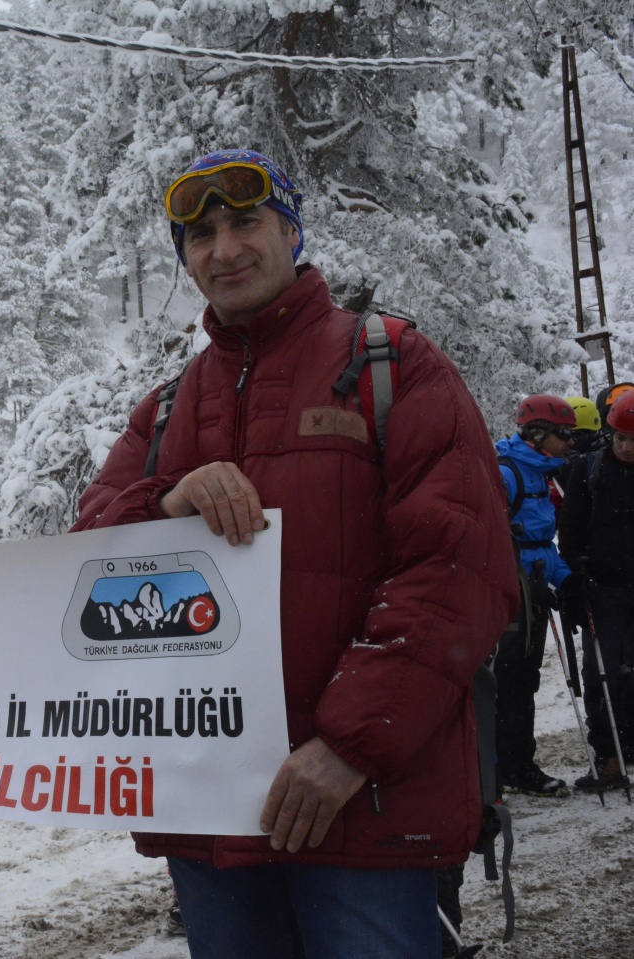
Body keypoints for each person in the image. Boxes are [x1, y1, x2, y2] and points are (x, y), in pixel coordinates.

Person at [72, 149, 518, 958]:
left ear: (291, 232)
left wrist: (351, 746)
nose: (223, 249)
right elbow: (81, 569)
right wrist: (161, 505)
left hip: (363, 806)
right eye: (199, 235)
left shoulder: (391, 365)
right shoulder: (166, 407)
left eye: (244, 223)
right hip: (211, 817)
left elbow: (460, 567)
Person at [493, 394, 577, 798]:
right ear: (539, 434)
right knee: (504, 680)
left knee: (524, 680)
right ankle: (495, 769)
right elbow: (492, 541)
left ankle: (517, 765)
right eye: (564, 434)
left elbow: (541, 541)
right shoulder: (507, 473)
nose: (571, 441)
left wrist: (566, 580)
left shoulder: (540, 474)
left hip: (534, 592)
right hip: (511, 595)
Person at [559, 389, 634, 791]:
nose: (626, 447)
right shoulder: (589, 471)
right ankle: (608, 756)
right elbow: (569, 531)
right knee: (602, 674)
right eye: (620, 437)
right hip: (601, 590)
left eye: (633, 440)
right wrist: (574, 579)